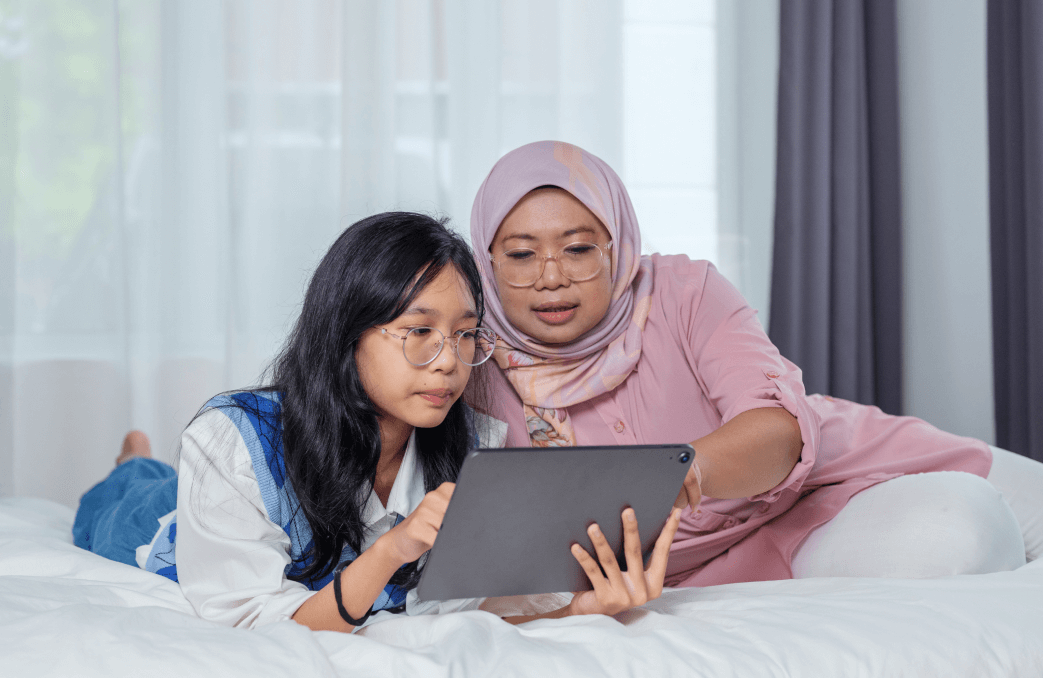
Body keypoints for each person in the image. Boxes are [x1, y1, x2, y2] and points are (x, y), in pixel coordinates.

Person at [467, 141, 1043, 586]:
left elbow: (776, 430)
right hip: (737, 549)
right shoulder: (468, 367)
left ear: (618, 245)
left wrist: (664, 476)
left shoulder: (681, 290)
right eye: (522, 255)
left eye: (579, 248)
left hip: (838, 457)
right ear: (488, 263)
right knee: (965, 533)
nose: (551, 277)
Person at [72, 211, 680, 629]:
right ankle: (132, 461)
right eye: (419, 332)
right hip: (167, 536)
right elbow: (255, 622)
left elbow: (477, 613)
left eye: (466, 334)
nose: (448, 362)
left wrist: (579, 610)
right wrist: (391, 550)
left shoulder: (478, 449)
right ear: (346, 331)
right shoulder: (230, 440)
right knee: (126, 504)